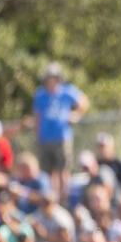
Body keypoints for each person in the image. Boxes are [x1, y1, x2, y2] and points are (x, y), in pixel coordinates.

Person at [31, 62, 89, 202]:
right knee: (49, 171)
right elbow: (38, 116)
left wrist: (76, 115)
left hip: (62, 137)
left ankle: (64, 198)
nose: (51, 81)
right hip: (45, 138)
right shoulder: (40, 95)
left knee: (63, 169)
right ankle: (52, 198)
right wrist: (37, 133)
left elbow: (84, 101)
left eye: (54, 78)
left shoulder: (67, 91)